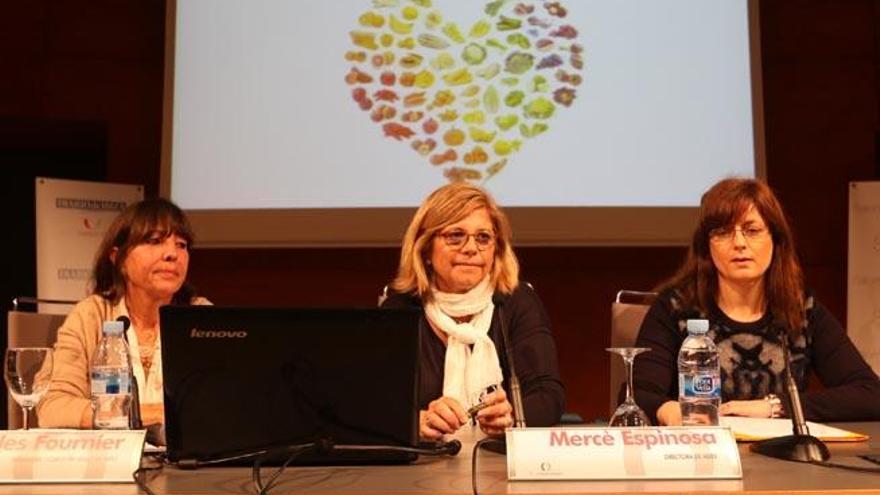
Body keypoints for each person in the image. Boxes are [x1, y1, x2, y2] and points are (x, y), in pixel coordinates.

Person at [632, 178, 880, 425]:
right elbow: (637, 394)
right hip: (704, 455)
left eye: (752, 231)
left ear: (775, 240)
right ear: (707, 246)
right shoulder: (677, 307)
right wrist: (668, 410)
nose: (739, 243)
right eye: (723, 232)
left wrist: (778, 406)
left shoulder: (800, 309)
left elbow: (870, 393)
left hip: (784, 459)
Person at [381, 183, 565, 440]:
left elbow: (549, 395)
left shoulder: (515, 301)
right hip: (422, 467)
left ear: (496, 249)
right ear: (425, 249)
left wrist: (512, 416)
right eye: (455, 235)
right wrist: (416, 421)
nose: (470, 248)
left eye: (483, 238)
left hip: (501, 465)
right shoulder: (401, 307)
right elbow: (376, 404)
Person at [37, 198, 208, 440]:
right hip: (107, 463)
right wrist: (142, 414)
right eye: (155, 241)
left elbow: (225, 405)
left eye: (181, 244)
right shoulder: (92, 315)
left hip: (186, 469)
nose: (172, 254)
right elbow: (53, 407)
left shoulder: (202, 318)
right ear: (118, 258)